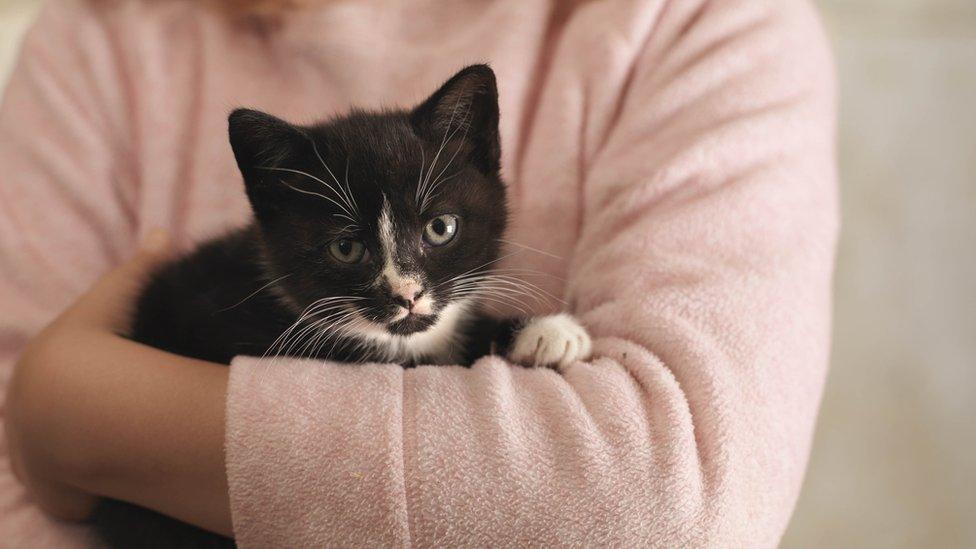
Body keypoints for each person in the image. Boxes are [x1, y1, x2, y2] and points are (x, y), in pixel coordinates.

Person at [0, 0, 838, 545]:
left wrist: (79, 414)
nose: (404, 287)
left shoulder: (699, 20)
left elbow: (675, 497)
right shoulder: (97, 39)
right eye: (349, 252)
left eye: (438, 228)